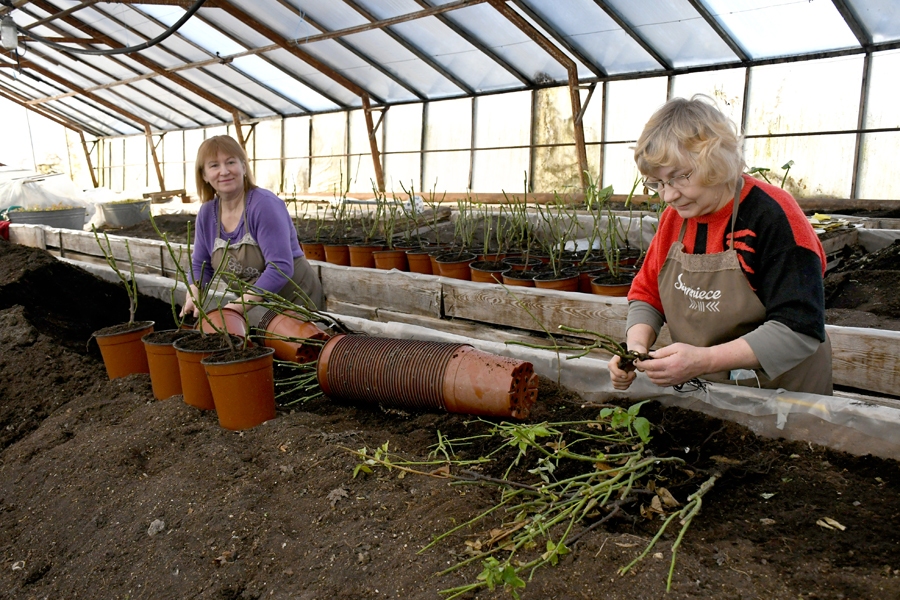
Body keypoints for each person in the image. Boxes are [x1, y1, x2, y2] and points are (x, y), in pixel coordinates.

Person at [607, 95, 832, 396]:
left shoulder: (773, 216)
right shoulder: (675, 219)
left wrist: (705, 360)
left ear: (715, 160)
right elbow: (648, 294)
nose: (668, 196)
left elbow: (799, 328)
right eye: (656, 183)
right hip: (713, 391)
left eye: (679, 177)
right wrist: (635, 348)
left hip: (784, 394)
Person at [181, 134, 324, 322]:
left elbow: (280, 267)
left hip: (297, 304)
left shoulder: (264, 205)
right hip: (254, 307)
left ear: (243, 167)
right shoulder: (207, 214)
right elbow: (201, 264)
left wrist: (235, 308)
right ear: (204, 175)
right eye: (214, 165)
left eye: (230, 162)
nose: (224, 171)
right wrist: (194, 292)